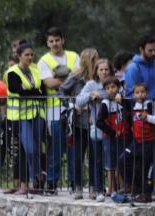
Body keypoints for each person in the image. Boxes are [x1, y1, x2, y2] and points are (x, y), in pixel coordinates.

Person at [38, 27, 79, 193]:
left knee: (73, 147)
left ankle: (73, 182)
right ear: (47, 43)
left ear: (63, 40)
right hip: (54, 108)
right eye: (51, 41)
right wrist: (70, 76)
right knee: (56, 146)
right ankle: (52, 183)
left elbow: (80, 75)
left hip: (73, 107)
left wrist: (61, 77)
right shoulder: (44, 60)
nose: (54, 43)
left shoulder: (74, 56)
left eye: (57, 40)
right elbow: (49, 83)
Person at [5, 42, 47, 195]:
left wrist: (30, 91)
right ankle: (38, 176)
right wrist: (34, 91)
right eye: (26, 55)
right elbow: (17, 90)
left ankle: (34, 182)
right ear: (19, 56)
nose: (30, 57)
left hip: (37, 115)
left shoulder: (36, 71)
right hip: (20, 117)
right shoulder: (12, 72)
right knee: (29, 149)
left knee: (36, 149)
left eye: (31, 54)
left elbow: (43, 93)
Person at [59, 48, 99, 199]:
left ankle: (94, 187)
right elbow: (61, 91)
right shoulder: (76, 76)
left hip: (95, 121)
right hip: (78, 123)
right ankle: (78, 187)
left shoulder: (99, 77)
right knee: (78, 156)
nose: (96, 62)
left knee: (95, 156)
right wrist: (72, 105)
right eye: (94, 59)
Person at [77, 58, 114, 200]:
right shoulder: (91, 84)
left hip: (113, 128)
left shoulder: (114, 83)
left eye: (106, 69)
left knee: (112, 161)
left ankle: (115, 189)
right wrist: (91, 95)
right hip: (97, 129)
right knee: (97, 160)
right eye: (101, 70)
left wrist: (106, 95)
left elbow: (120, 95)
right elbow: (79, 101)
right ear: (96, 72)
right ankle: (99, 190)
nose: (104, 72)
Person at [129, 82, 155, 202]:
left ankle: (147, 193)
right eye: (137, 92)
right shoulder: (132, 106)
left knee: (149, 168)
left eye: (142, 92)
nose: (140, 95)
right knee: (137, 166)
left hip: (150, 141)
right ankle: (137, 191)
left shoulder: (151, 105)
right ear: (133, 94)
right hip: (138, 142)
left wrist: (148, 117)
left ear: (147, 93)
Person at [96, 76, 130, 196]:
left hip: (123, 136)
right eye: (108, 88)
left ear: (118, 88)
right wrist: (112, 132)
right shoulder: (105, 104)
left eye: (113, 87)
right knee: (110, 163)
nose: (111, 90)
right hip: (110, 137)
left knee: (122, 161)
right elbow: (98, 122)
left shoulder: (123, 101)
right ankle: (111, 188)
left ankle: (122, 187)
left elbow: (129, 116)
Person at [123, 35, 155, 100]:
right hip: (139, 108)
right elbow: (130, 92)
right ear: (141, 49)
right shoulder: (133, 68)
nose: (153, 53)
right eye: (150, 50)